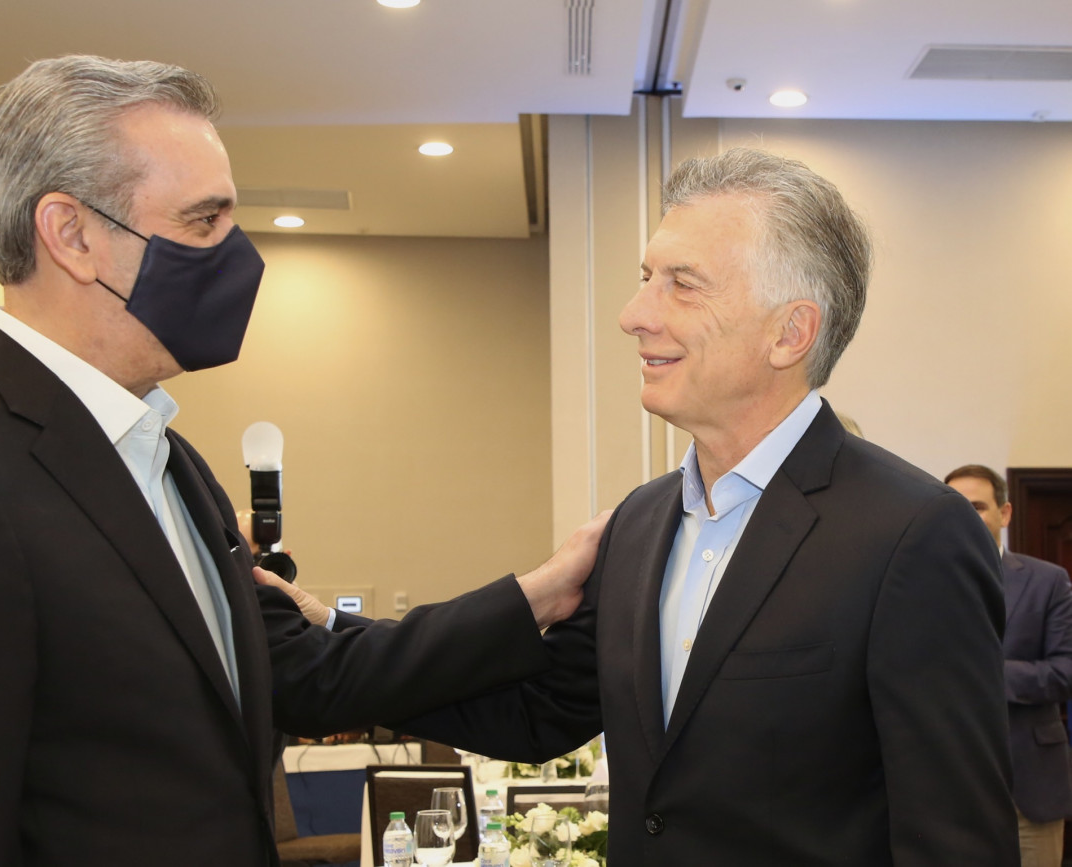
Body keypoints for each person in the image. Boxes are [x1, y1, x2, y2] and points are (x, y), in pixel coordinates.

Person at [0, 55, 609, 866]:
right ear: (72, 235)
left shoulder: (168, 461)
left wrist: (537, 593)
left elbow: (303, 671)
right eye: (203, 222)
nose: (236, 253)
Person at [402, 147, 1019, 865]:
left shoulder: (913, 532)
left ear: (789, 333)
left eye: (683, 285)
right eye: (647, 278)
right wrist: (320, 647)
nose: (633, 315)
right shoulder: (639, 522)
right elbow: (536, 712)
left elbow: (955, 838)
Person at [947, 464, 1072, 867]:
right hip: (951, 789)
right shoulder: (923, 583)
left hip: (1029, 789)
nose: (966, 516)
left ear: (1005, 513)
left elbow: (1065, 672)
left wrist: (982, 675)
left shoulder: (1048, 581)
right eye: (955, 506)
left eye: (978, 506)